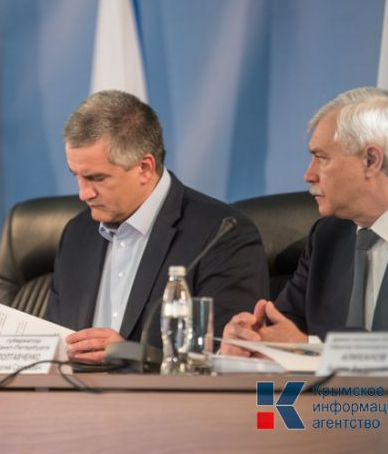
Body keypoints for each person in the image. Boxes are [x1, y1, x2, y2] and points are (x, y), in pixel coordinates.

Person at [222, 87, 388, 355]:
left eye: (321, 158)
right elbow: (283, 328)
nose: (308, 175)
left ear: (371, 160)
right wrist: (250, 339)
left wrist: (312, 348)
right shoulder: (328, 235)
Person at [46, 90, 268, 363]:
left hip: (163, 391)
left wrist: (134, 356)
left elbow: (229, 356)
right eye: (77, 176)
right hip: (74, 389)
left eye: (97, 178)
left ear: (145, 168)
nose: (83, 193)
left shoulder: (221, 234)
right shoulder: (77, 233)